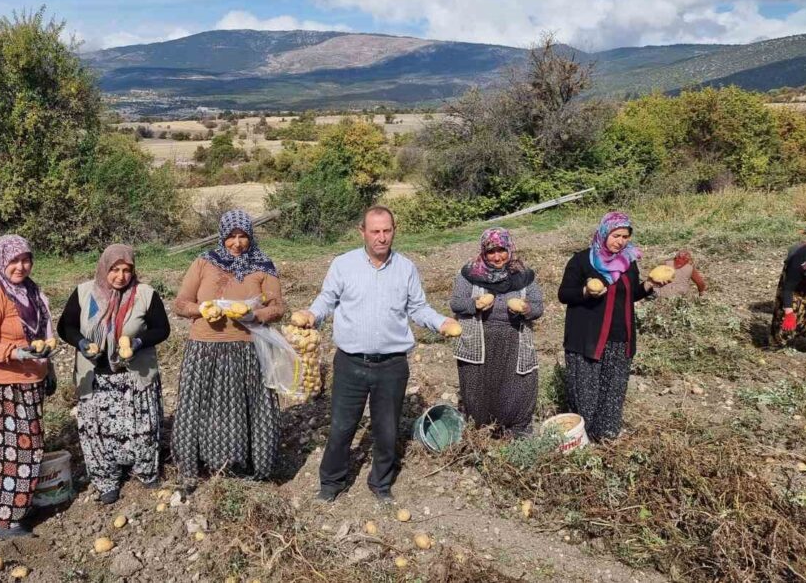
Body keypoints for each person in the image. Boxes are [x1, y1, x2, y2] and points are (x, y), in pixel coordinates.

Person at [295, 205, 458, 504]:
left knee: (386, 429)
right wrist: (311, 314)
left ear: (394, 231)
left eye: (387, 231)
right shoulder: (343, 265)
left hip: (392, 365)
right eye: (375, 231)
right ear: (362, 232)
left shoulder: (406, 267)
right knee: (342, 427)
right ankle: (331, 483)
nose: (382, 237)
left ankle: (381, 484)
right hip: (350, 363)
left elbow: (418, 308)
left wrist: (441, 322)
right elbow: (326, 300)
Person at [172, 210, 286, 485]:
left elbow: (279, 307)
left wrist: (254, 316)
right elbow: (180, 303)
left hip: (248, 349)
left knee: (247, 409)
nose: (237, 243)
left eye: (243, 236)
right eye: (231, 237)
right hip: (205, 349)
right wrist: (200, 309)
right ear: (222, 236)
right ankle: (195, 466)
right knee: (200, 408)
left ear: (250, 236)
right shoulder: (203, 263)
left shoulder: (263, 266)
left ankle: (245, 468)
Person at [57, 244, 171, 504]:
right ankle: (106, 479)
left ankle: (146, 472)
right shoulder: (84, 293)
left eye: (127, 270)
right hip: (96, 377)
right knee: (96, 430)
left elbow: (162, 329)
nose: (121, 276)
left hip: (134, 375)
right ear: (103, 268)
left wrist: (138, 343)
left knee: (143, 426)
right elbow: (66, 326)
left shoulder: (145, 294)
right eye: (115, 270)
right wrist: (83, 344)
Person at [0, 234, 56, 539]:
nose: (21, 267)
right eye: (14, 261)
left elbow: (41, 335)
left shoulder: (29, 290)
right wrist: (17, 353)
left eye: (26, 259)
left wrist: (48, 367)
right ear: (0, 260)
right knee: (12, 452)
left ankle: (17, 505)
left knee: (28, 449)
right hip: (2, 385)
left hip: (29, 379)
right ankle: (6, 520)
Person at [558, 212, 658, 442]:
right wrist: (585, 291)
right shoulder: (582, 261)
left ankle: (606, 437)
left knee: (613, 391)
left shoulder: (628, 262)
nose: (621, 241)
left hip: (620, 337)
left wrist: (650, 285)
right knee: (585, 391)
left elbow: (631, 294)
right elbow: (564, 294)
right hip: (587, 338)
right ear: (604, 233)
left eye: (625, 236)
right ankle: (581, 440)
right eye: (616, 235)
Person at [449, 228, 543, 437]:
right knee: (478, 387)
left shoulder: (524, 275)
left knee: (518, 385)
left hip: (514, 339)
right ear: (483, 252)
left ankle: (515, 429)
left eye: (502, 250)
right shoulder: (470, 274)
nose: (497, 256)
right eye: (491, 251)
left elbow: (538, 306)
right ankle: (483, 431)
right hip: (480, 339)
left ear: (510, 249)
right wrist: (475, 304)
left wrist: (526, 308)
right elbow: (456, 303)